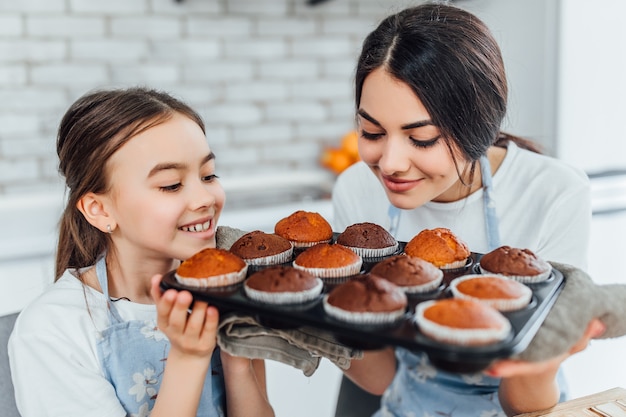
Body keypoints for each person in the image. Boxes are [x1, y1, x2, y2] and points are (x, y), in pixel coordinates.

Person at [331, 3, 605, 416]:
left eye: (421, 138)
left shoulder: (554, 192)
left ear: (478, 127)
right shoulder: (356, 189)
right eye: (371, 132)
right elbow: (384, 376)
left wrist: (541, 362)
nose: (389, 163)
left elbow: (524, 399)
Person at [8, 87, 275, 417]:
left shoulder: (230, 288)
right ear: (99, 210)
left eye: (208, 175)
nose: (205, 198)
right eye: (171, 184)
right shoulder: (51, 330)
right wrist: (188, 358)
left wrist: (237, 359)